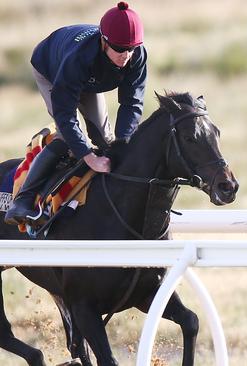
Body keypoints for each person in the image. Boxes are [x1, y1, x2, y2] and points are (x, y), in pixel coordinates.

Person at [5, 2, 147, 225]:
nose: (126, 55)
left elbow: (132, 103)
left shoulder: (137, 56)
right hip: (51, 68)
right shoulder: (79, 58)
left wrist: (123, 143)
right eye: (120, 49)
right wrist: (88, 157)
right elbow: (65, 114)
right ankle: (22, 201)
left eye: (131, 48)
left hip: (88, 79)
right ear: (103, 41)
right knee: (67, 139)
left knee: (107, 140)